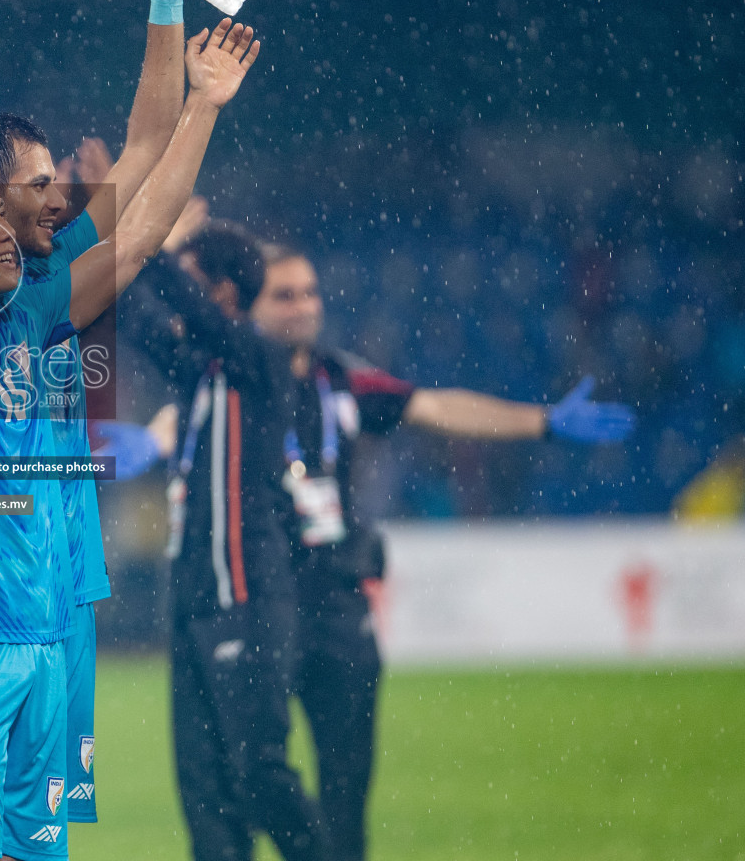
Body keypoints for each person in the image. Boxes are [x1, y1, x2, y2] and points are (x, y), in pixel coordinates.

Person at [0, 3, 258, 861]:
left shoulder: (37, 306)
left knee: (40, 851)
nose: (54, 200)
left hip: (42, 624)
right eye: (30, 188)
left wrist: (205, 102)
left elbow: (145, 222)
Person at [235, 240, 636, 861]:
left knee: (347, 785)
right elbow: (181, 427)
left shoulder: (340, 378)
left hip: (339, 606)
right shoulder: (230, 383)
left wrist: (542, 421)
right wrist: (147, 445)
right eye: (283, 295)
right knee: (253, 772)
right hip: (259, 602)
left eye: (310, 292)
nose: (303, 307)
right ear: (246, 306)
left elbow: (437, 405)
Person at [120, 216, 327, 861]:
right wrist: (94, 227)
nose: (178, 301)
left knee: (260, 775)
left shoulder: (256, 361)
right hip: (191, 609)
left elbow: (178, 304)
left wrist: (151, 239)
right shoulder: (198, 372)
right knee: (205, 797)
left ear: (225, 295)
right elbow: (129, 311)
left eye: (192, 285)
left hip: (249, 600)